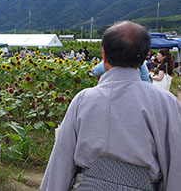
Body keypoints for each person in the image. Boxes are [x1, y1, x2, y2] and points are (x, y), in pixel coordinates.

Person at [41, 21, 181, 190]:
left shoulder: (83, 99)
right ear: (144, 57)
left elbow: (61, 162)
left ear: (104, 55)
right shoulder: (166, 103)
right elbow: (176, 168)